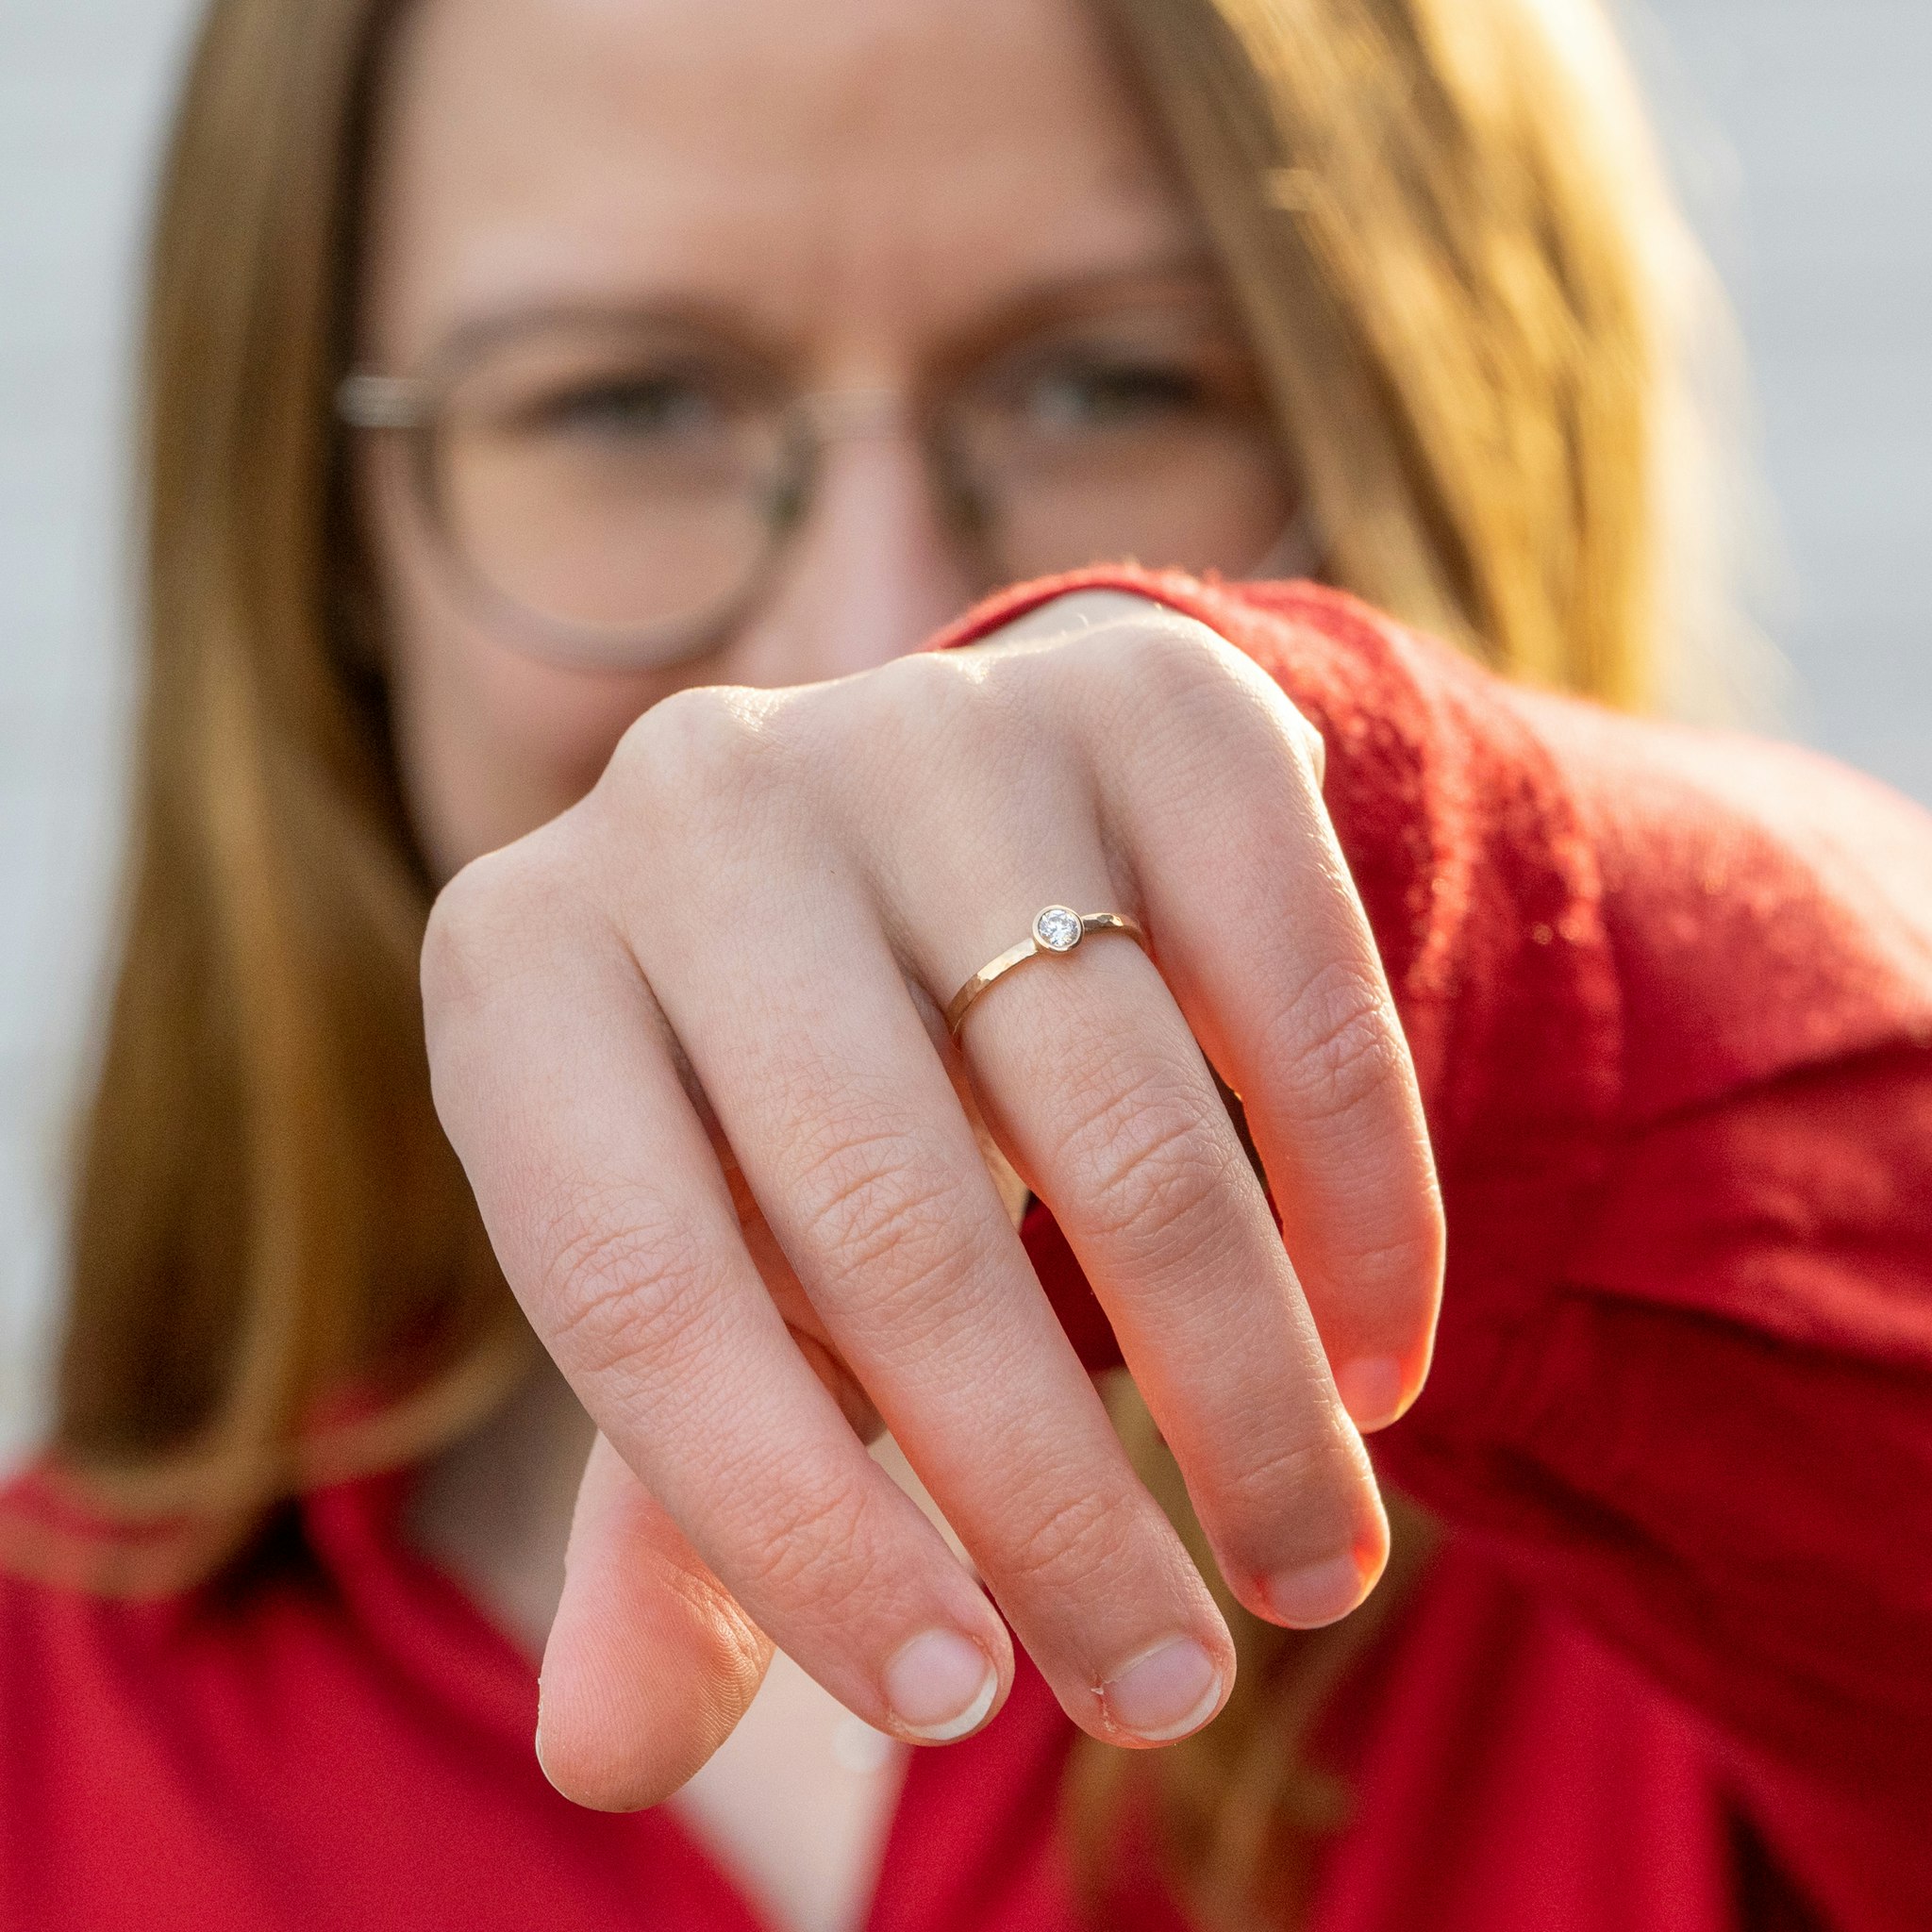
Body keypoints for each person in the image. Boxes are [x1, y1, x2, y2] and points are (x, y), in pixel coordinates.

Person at [2, 0, 1928, 1927]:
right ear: (330, 536)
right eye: (625, 403)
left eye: (1113, 384)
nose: (876, 642)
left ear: (1430, 423)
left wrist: (1411, 882)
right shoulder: (52, 1737)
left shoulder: (1739, 1538)